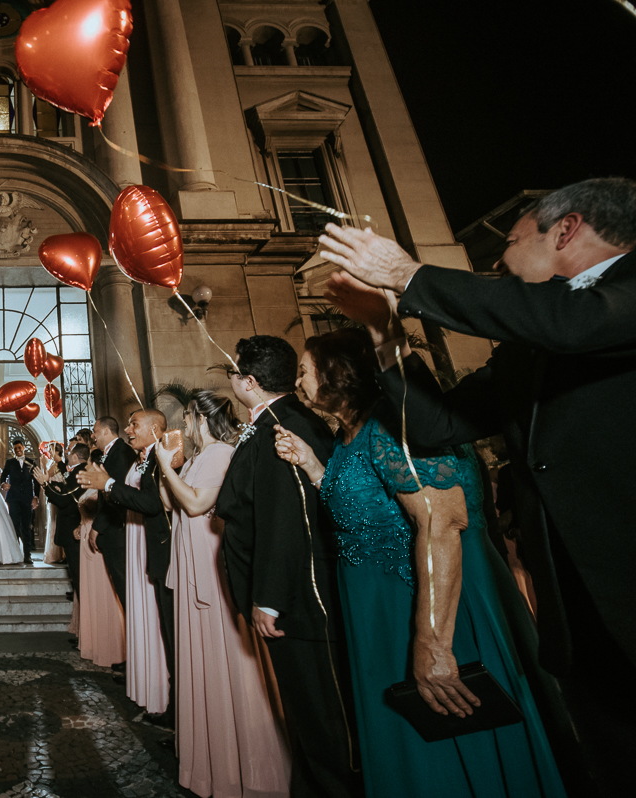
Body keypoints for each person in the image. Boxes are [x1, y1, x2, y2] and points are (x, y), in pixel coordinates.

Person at [318, 177, 636, 796]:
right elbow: (440, 425)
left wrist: (410, 276)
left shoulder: (605, 305)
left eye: (511, 243)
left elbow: (571, 326)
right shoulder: (531, 343)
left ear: (565, 231)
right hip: (581, 612)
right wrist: (385, 334)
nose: (495, 264)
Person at [274, 328, 565, 798]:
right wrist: (312, 465)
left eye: (304, 371)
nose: (299, 381)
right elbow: (370, 503)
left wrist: (433, 641)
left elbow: (444, 523)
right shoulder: (352, 433)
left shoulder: (394, 426)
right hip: (378, 612)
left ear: (338, 374)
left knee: (449, 733)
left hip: (422, 606)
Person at [214, 335, 361, 798]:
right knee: (308, 725)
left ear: (250, 382)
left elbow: (285, 520)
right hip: (295, 603)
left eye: (235, 373)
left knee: (326, 727)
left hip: (300, 606)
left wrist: (269, 599)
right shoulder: (270, 423)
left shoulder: (282, 426)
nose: (233, 380)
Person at [155, 390, 291, 798]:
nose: (184, 426)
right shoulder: (197, 458)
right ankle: (210, 761)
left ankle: (243, 765)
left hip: (211, 573)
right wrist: (169, 468)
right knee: (200, 660)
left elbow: (196, 505)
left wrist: (166, 466)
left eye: (187, 418)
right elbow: (170, 503)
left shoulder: (219, 457)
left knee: (224, 660)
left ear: (199, 419)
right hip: (192, 564)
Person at [79, 411, 173, 723]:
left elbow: (144, 500)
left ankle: (162, 690)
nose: (129, 430)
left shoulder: (148, 457)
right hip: (132, 539)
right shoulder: (138, 458)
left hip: (140, 541)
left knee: (155, 617)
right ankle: (148, 680)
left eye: (134, 424)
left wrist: (106, 486)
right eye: (128, 424)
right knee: (138, 610)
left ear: (155, 428)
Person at [78, 417, 137, 611]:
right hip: (113, 530)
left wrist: (97, 527)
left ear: (105, 431)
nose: (92, 436)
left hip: (116, 530)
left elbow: (115, 496)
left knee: (125, 589)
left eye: (95, 431)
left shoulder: (120, 453)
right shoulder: (111, 453)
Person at [75, 458, 126, 670]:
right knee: (91, 593)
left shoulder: (103, 489)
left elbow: (107, 510)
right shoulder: (89, 488)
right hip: (86, 537)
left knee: (104, 593)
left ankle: (111, 645)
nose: (86, 469)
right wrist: (80, 525)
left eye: (89, 466)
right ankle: (94, 640)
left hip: (98, 540)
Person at [37, 443, 87, 602]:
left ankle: (81, 602)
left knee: (76, 568)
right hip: (73, 524)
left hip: (72, 525)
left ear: (74, 456)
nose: (67, 456)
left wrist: (45, 485)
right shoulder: (79, 470)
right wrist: (50, 483)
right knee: (74, 568)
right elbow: (65, 486)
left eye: (69, 454)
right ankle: (79, 598)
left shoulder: (79, 472)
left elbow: (64, 500)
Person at [1, 439, 40, 563]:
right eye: (15, 448)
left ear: (23, 447)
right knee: (14, 526)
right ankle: (15, 553)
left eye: (19, 447)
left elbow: (37, 481)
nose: (17, 450)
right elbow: (3, 476)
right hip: (13, 498)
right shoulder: (10, 462)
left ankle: (27, 554)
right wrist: (3, 484)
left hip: (27, 499)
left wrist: (36, 497)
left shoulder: (31, 462)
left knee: (26, 526)